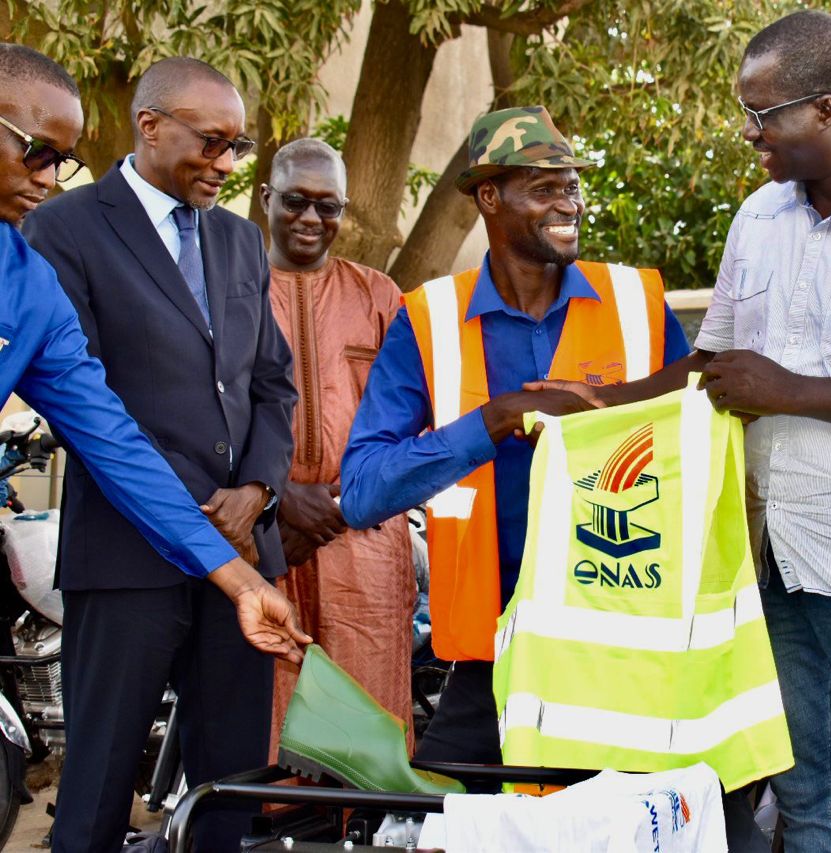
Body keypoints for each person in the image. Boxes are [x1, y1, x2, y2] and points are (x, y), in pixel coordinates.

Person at [533, 11, 831, 850]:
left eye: (763, 115)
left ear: (826, 109)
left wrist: (789, 390)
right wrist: (596, 405)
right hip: (778, 561)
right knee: (811, 803)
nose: (749, 134)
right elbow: (713, 367)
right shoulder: (760, 218)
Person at [340, 106, 691, 768]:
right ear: (489, 196)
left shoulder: (638, 305)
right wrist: (493, 420)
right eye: (544, 188)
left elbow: (694, 433)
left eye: (572, 186)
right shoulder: (429, 321)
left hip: (622, 647)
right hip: (494, 652)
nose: (569, 205)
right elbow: (361, 492)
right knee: (435, 825)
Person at [21, 56, 299, 851]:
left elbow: (273, 383)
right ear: (150, 125)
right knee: (101, 788)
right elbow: (86, 406)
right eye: (212, 143)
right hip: (126, 558)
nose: (226, 164)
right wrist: (193, 512)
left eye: (237, 148)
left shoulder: (242, 241)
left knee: (231, 789)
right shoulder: (62, 228)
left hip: (243, 547)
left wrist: (255, 487)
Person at [262, 138, 415, 753]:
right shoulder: (233, 286)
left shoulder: (379, 295)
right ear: (267, 198)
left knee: (368, 687)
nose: (310, 219)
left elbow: (413, 413)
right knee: (268, 685)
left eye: (328, 207)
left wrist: (340, 503)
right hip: (261, 526)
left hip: (364, 529)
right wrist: (277, 499)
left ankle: (367, 832)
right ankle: (269, 833)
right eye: (296, 201)